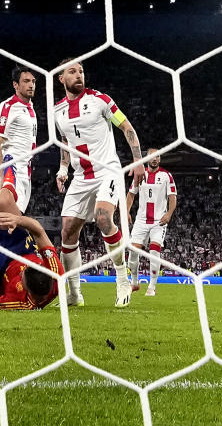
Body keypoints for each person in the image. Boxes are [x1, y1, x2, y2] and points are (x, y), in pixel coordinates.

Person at [54, 59, 145, 308]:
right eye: (72, 71)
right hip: (81, 177)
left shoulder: (101, 100)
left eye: (81, 71)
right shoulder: (57, 111)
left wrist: (138, 160)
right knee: (67, 231)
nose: (78, 75)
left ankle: (122, 279)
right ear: (61, 78)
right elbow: (65, 144)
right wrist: (63, 169)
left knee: (104, 217)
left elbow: (127, 127)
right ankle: (74, 293)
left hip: (107, 171)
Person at [126, 148, 177, 296]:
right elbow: (130, 194)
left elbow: (173, 197)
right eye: (152, 156)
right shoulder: (140, 174)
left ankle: (152, 286)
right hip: (141, 220)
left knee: (154, 250)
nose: (154, 159)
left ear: (160, 159)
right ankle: (134, 283)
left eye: (157, 156)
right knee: (133, 253)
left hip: (158, 221)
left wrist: (169, 213)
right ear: (147, 158)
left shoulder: (166, 176)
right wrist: (127, 211)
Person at [0, 212, 63, 310]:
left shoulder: (17, 301)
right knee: (5, 200)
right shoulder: (56, 274)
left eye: (22, 276)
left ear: (27, 290)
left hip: (3, 267)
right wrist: (18, 219)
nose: (21, 274)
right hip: (23, 249)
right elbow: (39, 232)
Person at [1, 67, 38, 218]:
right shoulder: (8, 107)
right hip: (11, 167)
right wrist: (1, 178)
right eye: (26, 81)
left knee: (12, 222)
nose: (31, 85)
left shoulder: (30, 107)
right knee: (14, 222)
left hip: (25, 171)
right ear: (15, 85)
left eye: (33, 81)